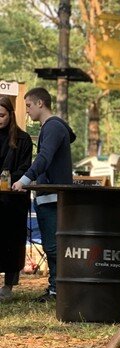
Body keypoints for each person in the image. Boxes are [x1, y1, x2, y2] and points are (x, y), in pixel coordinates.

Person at [13, 87, 76, 302]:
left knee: (53, 245)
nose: (27, 111)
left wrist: (24, 179)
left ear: (41, 103)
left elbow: (44, 158)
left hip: (52, 196)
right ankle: (56, 287)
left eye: (29, 105)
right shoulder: (52, 128)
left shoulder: (53, 127)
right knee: (53, 244)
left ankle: (58, 289)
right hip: (47, 195)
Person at [0, 96, 33, 301]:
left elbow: (25, 168)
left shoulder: (23, 139)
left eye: (2, 115)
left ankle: (8, 286)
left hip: (13, 200)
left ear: (10, 115)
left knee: (11, 241)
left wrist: (8, 178)